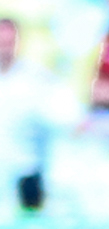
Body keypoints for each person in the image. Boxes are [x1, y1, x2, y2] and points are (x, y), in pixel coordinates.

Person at [0, 15, 70, 213]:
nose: (4, 47)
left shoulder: (38, 79)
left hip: (26, 175)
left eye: (9, 42)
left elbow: (63, 118)